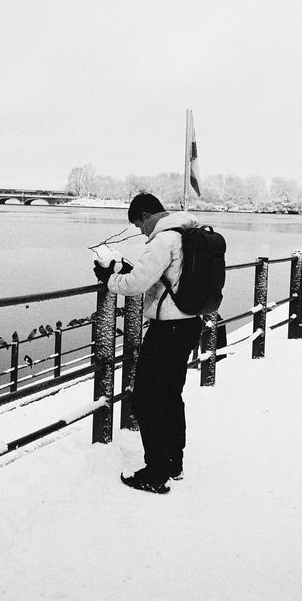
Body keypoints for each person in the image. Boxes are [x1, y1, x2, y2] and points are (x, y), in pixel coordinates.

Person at [93, 193, 202, 494]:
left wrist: (109, 278)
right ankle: (174, 463)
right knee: (170, 394)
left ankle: (156, 473)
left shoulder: (164, 240)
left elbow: (136, 285)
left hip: (168, 329)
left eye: (138, 225)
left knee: (146, 398)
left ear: (145, 215)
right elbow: (166, 277)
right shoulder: (187, 232)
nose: (141, 232)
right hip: (189, 323)